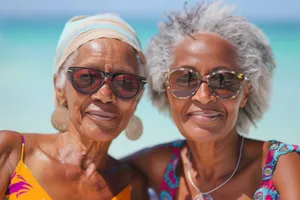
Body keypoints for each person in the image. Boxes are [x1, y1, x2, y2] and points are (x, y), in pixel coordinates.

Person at [124, 2, 300, 200]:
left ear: (246, 94)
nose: (204, 96)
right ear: (166, 91)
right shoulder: (159, 166)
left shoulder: (282, 167)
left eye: (223, 80)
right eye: (186, 79)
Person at [0, 13, 149, 200]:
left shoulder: (131, 185)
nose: (105, 95)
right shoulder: (13, 153)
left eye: (125, 82)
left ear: (137, 98)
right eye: (87, 77)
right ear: (60, 87)